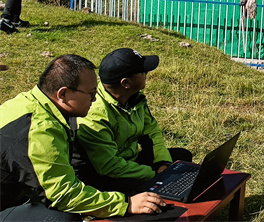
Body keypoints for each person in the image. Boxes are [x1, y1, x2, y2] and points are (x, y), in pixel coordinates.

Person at [0, 55, 167, 221]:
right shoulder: (40, 130)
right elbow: (62, 195)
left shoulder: (30, 102)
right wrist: (126, 204)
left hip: (19, 194)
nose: (95, 99)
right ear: (63, 94)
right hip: (7, 204)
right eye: (91, 94)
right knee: (63, 218)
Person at [73, 48, 192, 194]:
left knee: (182, 157)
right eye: (142, 72)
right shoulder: (94, 115)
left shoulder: (135, 97)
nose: (146, 74)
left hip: (130, 162)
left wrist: (162, 163)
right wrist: (153, 175)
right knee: (141, 186)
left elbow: (151, 132)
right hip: (106, 175)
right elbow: (109, 166)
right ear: (126, 83)